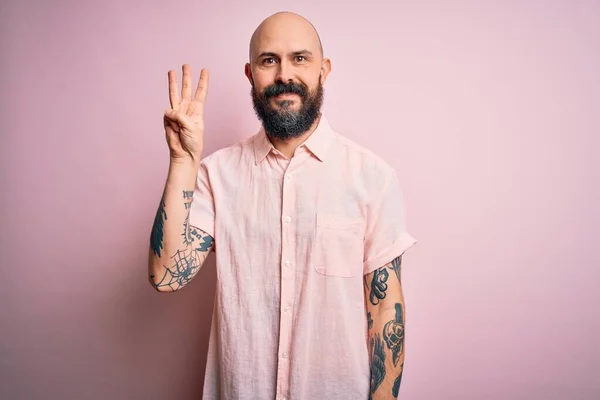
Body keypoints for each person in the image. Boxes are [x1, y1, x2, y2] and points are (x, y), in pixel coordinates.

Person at [148, 11, 417, 400]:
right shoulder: (216, 174)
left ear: (324, 70)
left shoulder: (373, 178)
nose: (284, 75)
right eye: (269, 60)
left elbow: (385, 312)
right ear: (250, 74)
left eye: (300, 59)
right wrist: (182, 162)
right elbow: (166, 276)